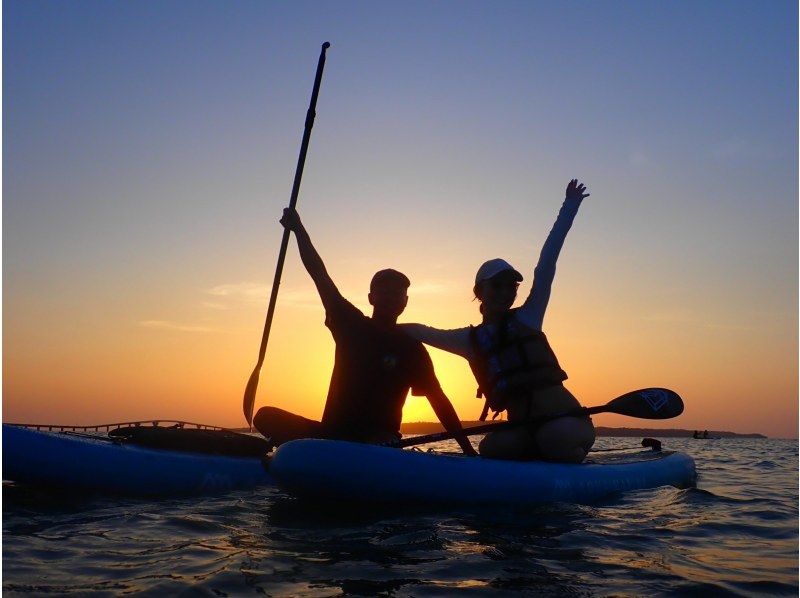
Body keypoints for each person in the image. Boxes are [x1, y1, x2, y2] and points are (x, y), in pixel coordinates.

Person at [253, 208, 478, 456]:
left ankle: (309, 457)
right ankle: (280, 457)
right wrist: (298, 229)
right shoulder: (349, 323)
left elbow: (439, 401)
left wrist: (468, 451)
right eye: (384, 292)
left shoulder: (412, 348)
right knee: (264, 416)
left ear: (405, 301)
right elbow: (319, 274)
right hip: (332, 436)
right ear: (371, 297)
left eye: (397, 294)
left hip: (380, 443)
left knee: (376, 445)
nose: (391, 298)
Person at [401, 179, 595, 463]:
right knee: (491, 449)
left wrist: (569, 206)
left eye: (511, 287)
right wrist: (376, 326)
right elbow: (422, 332)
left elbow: (546, 263)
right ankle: (538, 452)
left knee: (553, 438)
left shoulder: (529, 317)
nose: (505, 293)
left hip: (565, 422)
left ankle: (574, 450)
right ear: (480, 292)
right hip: (525, 430)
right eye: (497, 286)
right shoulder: (468, 341)